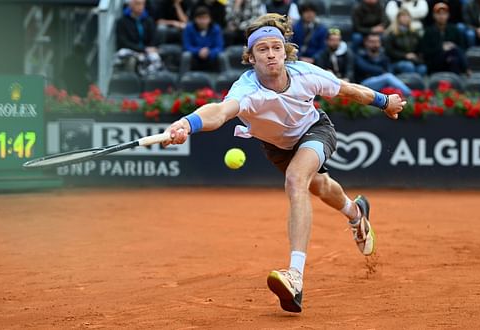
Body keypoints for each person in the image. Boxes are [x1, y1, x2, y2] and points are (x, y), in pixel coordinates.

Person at [161, 13, 405, 313]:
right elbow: (220, 111)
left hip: (315, 130)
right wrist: (187, 123)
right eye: (262, 49)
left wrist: (385, 102)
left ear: (285, 51)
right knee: (319, 185)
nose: (271, 54)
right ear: (251, 58)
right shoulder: (247, 89)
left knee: (296, 180)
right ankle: (356, 213)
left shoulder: (306, 74)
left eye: (276, 47)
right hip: (277, 146)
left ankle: (296, 276)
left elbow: (349, 90)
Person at [115, 0, 163, 76]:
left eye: (143, 4)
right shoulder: (122, 21)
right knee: (122, 53)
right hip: (131, 50)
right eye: (138, 4)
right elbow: (123, 42)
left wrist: (149, 48)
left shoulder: (148, 20)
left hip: (146, 50)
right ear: (131, 5)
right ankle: (129, 79)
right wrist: (141, 49)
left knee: (155, 57)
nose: (141, 7)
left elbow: (154, 38)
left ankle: (150, 80)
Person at [420, 2, 468, 74]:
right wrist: (441, 48)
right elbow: (425, 52)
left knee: (454, 58)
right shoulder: (428, 31)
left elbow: (462, 47)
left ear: (448, 15)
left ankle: (456, 82)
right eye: (439, 14)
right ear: (434, 15)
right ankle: (467, 69)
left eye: (444, 14)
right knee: (454, 51)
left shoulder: (454, 29)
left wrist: (452, 46)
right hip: (435, 62)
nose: (441, 16)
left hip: (451, 60)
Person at [385, 8, 427, 75]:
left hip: (412, 60)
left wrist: (417, 56)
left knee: (422, 68)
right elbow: (389, 51)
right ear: (398, 18)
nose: (405, 18)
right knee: (408, 66)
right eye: (403, 16)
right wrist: (405, 55)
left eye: (407, 16)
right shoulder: (392, 33)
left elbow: (420, 48)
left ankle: (417, 85)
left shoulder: (414, 33)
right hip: (396, 61)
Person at [182, 5, 224, 72]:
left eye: (205, 18)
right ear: (195, 19)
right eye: (200, 18)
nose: (202, 21)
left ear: (210, 19)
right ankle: (183, 77)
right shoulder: (189, 28)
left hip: (211, 57)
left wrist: (209, 52)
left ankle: (223, 79)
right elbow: (186, 46)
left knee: (222, 55)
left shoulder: (216, 28)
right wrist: (198, 51)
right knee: (186, 55)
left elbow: (219, 47)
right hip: (194, 57)